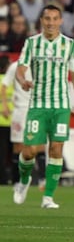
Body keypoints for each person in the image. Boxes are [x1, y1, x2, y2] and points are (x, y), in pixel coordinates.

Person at [13, 4, 74, 209]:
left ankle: (48, 197)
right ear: (41, 21)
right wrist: (22, 80)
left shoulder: (69, 45)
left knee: (56, 148)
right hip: (37, 105)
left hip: (61, 105)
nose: (51, 22)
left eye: (55, 19)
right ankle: (24, 179)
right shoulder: (32, 43)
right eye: (47, 19)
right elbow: (21, 68)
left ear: (61, 21)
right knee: (29, 152)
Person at [1, 59, 47, 188]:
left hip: (37, 110)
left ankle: (43, 179)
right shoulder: (15, 66)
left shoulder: (42, 66)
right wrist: (4, 105)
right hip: (20, 111)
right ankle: (18, 181)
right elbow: (4, 86)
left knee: (40, 144)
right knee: (18, 147)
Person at [0, 55, 11, 184]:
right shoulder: (9, 82)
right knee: (13, 152)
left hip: (4, 122)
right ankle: (14, 178)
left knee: (2, 153)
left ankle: (2, 179)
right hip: (11, 121)